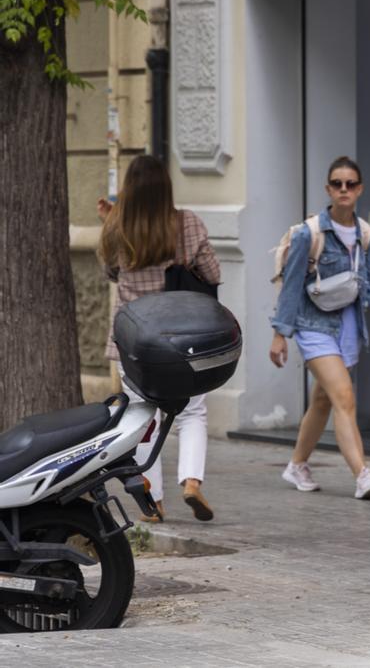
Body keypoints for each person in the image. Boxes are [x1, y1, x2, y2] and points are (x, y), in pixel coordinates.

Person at [269, 156, 370, 499]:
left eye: (351, 184)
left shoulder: (365, 234)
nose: (344, 190)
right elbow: (292, 282)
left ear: (359, 189)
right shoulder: (308, 233)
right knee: (344, 396)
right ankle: (362, 475)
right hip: (313, 324)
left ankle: (296, 464)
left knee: (324, 400)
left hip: (347, 323)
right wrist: (280, 333)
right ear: (328, 189)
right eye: (337, 184)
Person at [98, 154, 220, 522]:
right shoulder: (187, 224)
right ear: (166, 187)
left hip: (134, 341)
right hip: (182, 338)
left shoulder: (116, 229)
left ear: (129, 190)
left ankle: (153, 502)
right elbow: (212, 273)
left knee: (141, 416)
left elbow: (111, 273)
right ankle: (191, 481)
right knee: (192, 412)